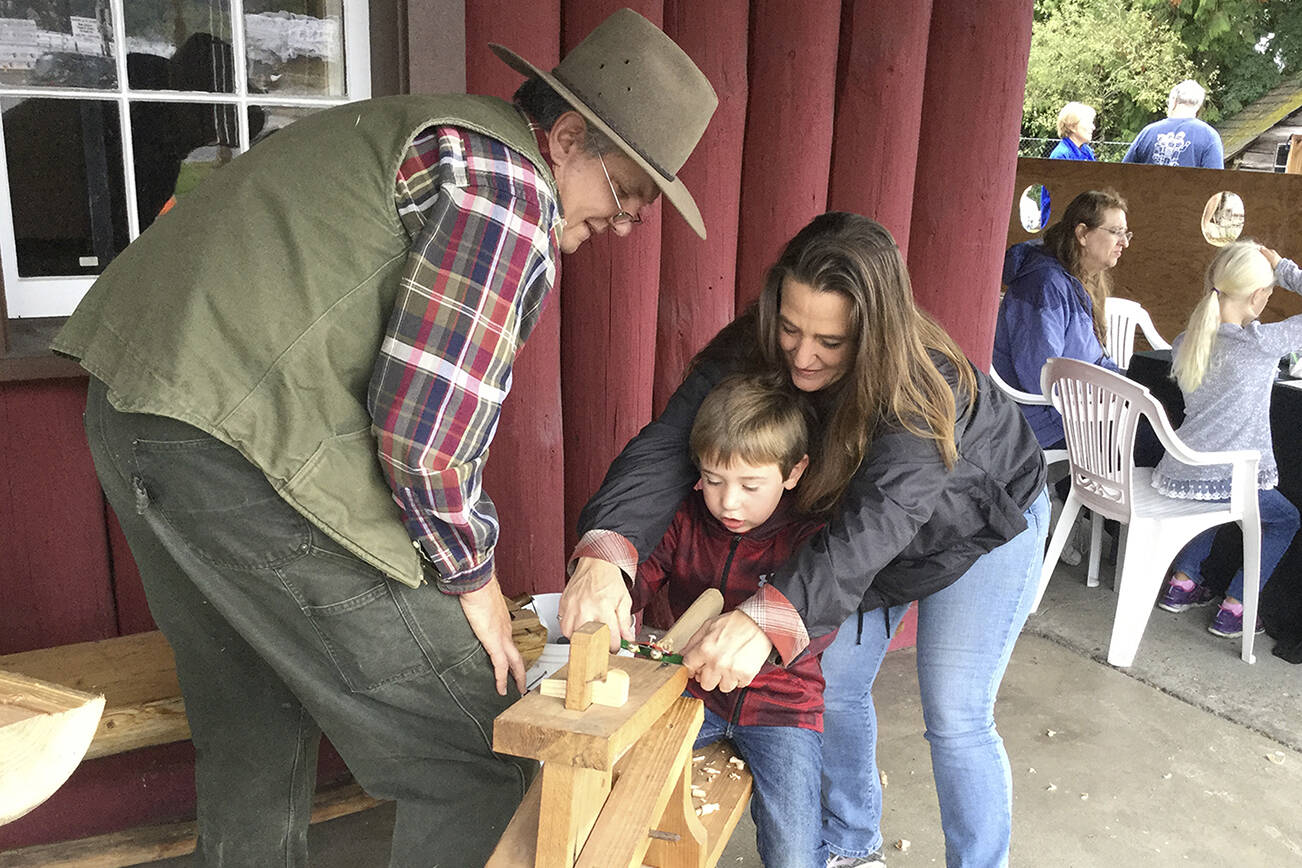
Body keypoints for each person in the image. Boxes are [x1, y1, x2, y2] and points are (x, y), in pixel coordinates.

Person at [51, 9, 718, 866]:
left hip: (136, 413)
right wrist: (472, 580)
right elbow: (425, 434)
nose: (625, 226)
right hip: (236, 449)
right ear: (569, 139)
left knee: (253, 714)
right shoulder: (508, 189)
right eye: (628, 195)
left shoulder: (429, 135)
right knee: (476, 753)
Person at [561, 212, 1049, 867]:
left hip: (983, 526)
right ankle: (852, 846)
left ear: (873, 335)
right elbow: (670, 445)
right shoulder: (755, 345)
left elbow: (877, 521)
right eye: (790, 327)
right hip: (873, 548)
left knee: (956, 714)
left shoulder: (920, 383)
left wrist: (767, 617)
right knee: (836, 683)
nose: (801, 355)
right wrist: (606, 551)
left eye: (829, 341)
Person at [633, 373, 828, 868]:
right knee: (633, 787)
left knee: (794, 849)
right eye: (713, 480)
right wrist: (618, 593)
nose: (728, 502)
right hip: (691, 689)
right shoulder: (686, 518)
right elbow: (645, 570)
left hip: (783, 707)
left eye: (749, 484)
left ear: (794, 471)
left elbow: (820, 622)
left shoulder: (811, 541)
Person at [1155, 243, 1302, 638]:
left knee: (1210, 496)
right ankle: (1236, 607)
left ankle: (1182, 583)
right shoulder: (1260, 344)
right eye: (1268, 293)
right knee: (1285, 519)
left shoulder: (1186, 339)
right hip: (1228, 477)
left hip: (1181, 469)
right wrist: (1283, 268)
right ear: (1257, 296)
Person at [994, 189, 1128, 449]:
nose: (1124, 243)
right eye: (1116, 232)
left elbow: (1092, 359)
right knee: (1149, 437)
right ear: (1082, 234)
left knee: (1159, 408)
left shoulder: (1076, 279)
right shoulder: (1044, 285)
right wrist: (1103, 401)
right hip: (1040, 422)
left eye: (1126, 233)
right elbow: (1041, 379)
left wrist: (1127, 381)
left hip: (1074, 407)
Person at [1122, 79, 1224, 169]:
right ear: (1198, 105)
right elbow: (1216, 182)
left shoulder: (1148, 132)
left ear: (1174, 100)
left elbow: (1123, 173)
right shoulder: (1209, 136)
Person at [1039, 102, 1097, 227]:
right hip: (1061, 223)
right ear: (1072, 126)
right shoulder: (1061, 155)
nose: (1093, 127)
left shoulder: (1086, 152)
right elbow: (1060, 198)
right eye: (1088, 122)